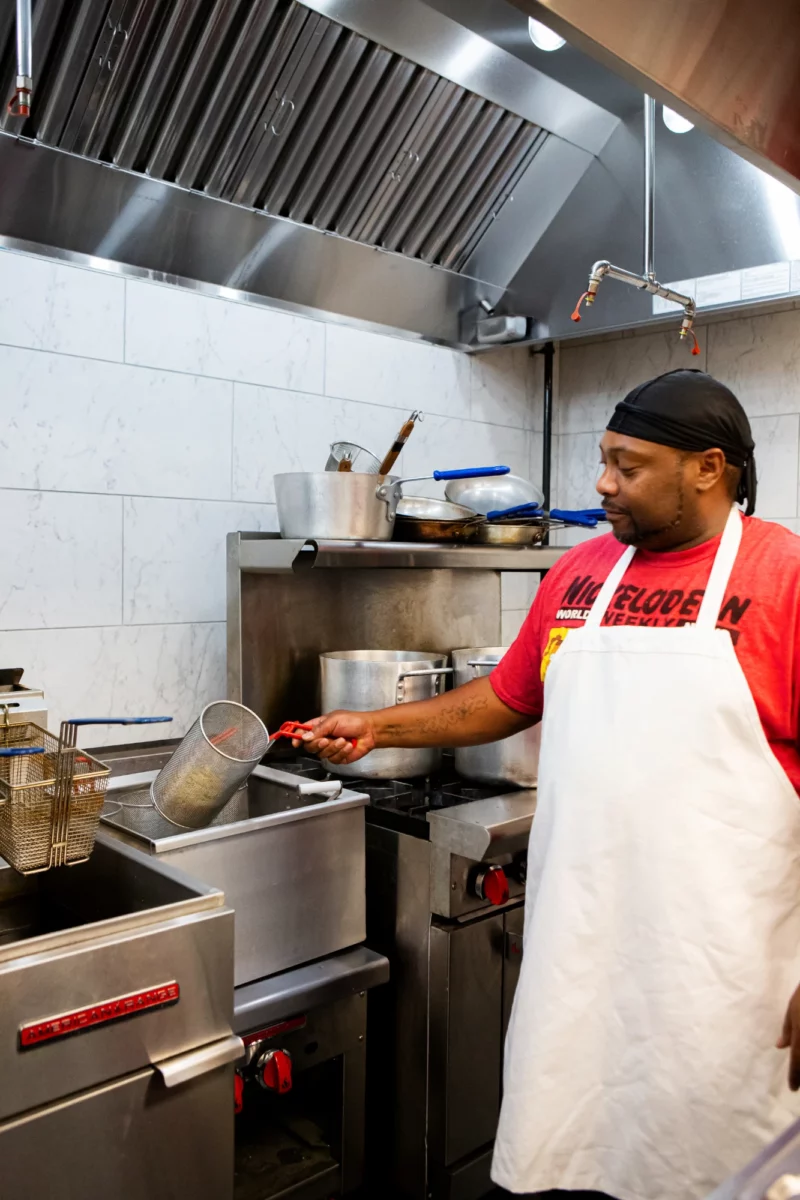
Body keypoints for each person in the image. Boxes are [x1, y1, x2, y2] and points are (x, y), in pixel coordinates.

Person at [297, 369, 800, 1200]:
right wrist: (379, 726)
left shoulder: (782, 576)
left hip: (726, 972)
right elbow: (505, 698)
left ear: (708, 469)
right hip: (583, 953)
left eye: (628, 466)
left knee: (711, 1171)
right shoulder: (582, 571)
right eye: (604, 460)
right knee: (569, 1157)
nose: (603, 483)